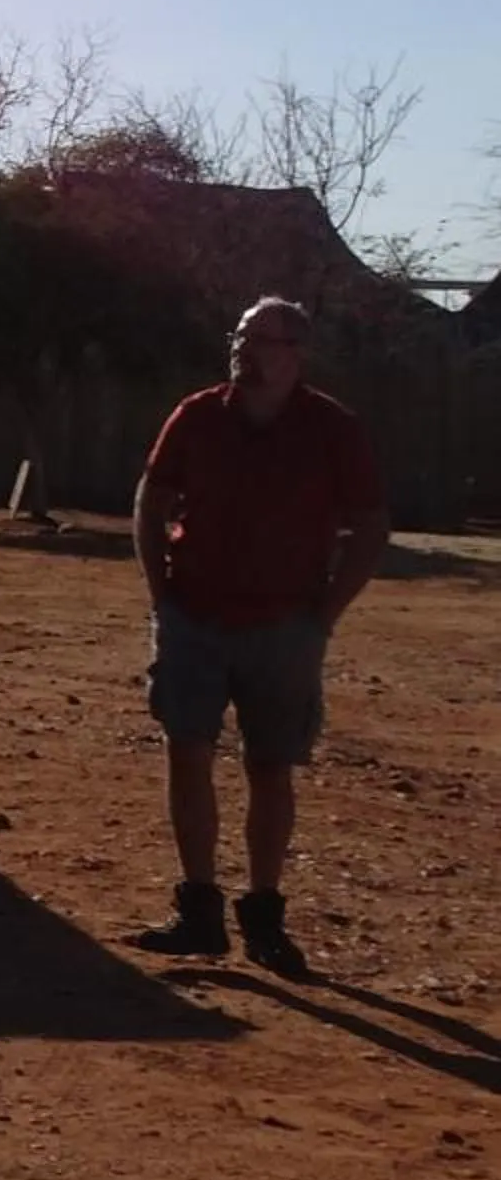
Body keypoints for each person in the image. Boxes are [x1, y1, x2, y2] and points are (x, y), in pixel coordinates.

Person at [131, 296, 386, 976]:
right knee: (188, 751)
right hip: (195, 619)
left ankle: (265, 914)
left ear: (294, 352)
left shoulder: (332, 428)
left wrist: (324, 617)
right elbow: (151, 500)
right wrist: (162, 597)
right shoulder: (197, 415)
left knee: (270, 768)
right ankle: (199, 911)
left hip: (283, 628)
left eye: (261, 340)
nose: (244, 350)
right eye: (239, 336)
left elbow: (369, 527)